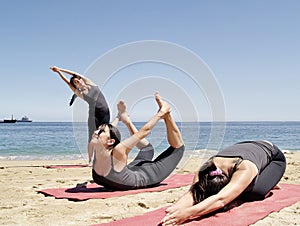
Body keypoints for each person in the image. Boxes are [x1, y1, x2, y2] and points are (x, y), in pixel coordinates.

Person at [161, 140, 286, 226]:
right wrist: (175, 209)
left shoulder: (245, 168)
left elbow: (221, 199)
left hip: (273, 157)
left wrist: (187, 213)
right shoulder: (205, 168)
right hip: (245, 148)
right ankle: (252, 180)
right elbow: (192, 193)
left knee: (255, 193)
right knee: (238, 191)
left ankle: (268, 180)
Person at [88, 93, 185, 190]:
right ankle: (128, 121)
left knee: (178, 148)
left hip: (149, 174)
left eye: (100, 131)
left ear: (110, 142)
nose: (96, 131)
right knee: (147, 149)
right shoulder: (98, 152)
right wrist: (118, 117)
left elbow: (144, 132)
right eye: (98, 130)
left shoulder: (118, 151)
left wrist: (161, 113)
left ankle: (167, 114)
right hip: (134, 169)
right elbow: (111, 130)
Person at [50, 66, 110, 142]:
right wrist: (59, 73)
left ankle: (105, 153)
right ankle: (92, 154)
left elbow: (75, 73)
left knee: (105, 134)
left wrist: (59, 69)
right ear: (75, 86)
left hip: (105, 112)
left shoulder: (91, 84)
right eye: (75, 82)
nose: (78, 82)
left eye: (78, 80)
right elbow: (68, 83)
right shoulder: (80, 93)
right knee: (93, 137)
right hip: (94, 115)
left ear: (81, 79)